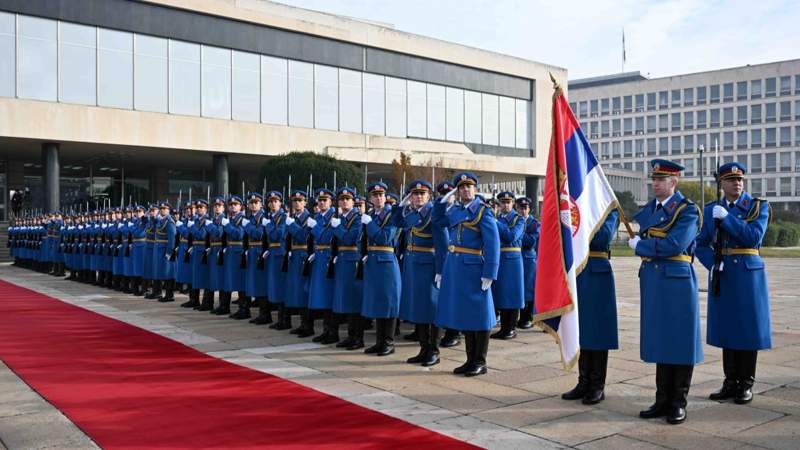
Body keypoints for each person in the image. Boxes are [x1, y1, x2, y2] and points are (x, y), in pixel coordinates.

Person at [629, 159, 702, 425]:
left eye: (661, 179)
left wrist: (641, 246)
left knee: (680, 341)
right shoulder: (651, 209)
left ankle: (678, 402)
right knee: (661, 339)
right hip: (655, 280)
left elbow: (675, 244)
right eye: (654, 179)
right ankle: (662, 400)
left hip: (677, 280)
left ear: (674, 182)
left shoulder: (687, 210)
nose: (655, 183)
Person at [695, 162, 771, 405]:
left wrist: (728, 219)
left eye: (740, 179)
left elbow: (753, 237)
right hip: (724, 272)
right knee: (728, 328)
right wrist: (713, 263)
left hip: (748, 275)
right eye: (730, 180)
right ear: (721, 184)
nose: (736, 183)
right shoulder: (711, 210)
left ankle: (745, 383)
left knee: (747, 329)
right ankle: (730, 382)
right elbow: (701, 243)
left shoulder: (758, 207)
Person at [433, 172, 500, 376]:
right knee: (467, 315)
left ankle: (480, 361)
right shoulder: (456, 210)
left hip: (474, 268)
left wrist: (490, 271)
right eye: (461, 187)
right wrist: (443, 200)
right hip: (456, 268)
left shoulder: (482, 211)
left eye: (469, 187)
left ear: (476, 189)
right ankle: (470, 359)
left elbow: (492, 243)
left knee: (480, 315)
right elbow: (437, 220)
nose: (465, 190)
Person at [562, 209, 619, 405]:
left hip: (597, 273)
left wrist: (581, 223)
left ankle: (597, 385)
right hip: (577, 273)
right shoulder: (577, 205)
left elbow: (602, 238)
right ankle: (583, 382)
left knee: (598, 332)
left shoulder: (608, 209)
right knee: (582, 330)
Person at [397, 180, 442, 366]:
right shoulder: (412, 213)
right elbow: (397, 222)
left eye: (422, 194)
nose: (419, 197)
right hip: (413, 265)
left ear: (429, 195)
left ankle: (434, 350)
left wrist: (441, 270)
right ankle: (423, 348)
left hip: (429, 266)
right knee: (418, 308)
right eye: (415, 194)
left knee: (431, 310)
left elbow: (443, 245)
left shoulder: (434, 214)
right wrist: (401, 205)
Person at [361, 182, 402, 356]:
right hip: (372, 261)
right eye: (375, 195)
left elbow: (384, 238)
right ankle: (379, 341)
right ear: (370, 199)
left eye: (381, 195)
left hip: (386, 262)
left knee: (389, 302)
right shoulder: (370, 214)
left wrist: (370, 224)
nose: (378, 198)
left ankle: (388, 342)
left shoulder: (392, 215)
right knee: (377, 301)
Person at [330, 186, 365, 349]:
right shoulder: (341, 217)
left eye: (347, 199)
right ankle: (350, 336)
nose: (344, 201)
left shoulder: (358, 218)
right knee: (344, 299)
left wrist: (337, 228)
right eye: (342, 199)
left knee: (353, 300)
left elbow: (351, 239)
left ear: (353, 201)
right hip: (342, 260)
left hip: (352, 260)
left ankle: (358, 337)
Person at [491, 192, 525, 340]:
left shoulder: (519, 219)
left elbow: (511, 236)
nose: (506, 205)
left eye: (508, 202)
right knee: (502, 294)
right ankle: (504, 328)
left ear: (513, 204)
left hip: (513, 260)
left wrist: (497, 224)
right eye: (503, 202)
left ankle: (510, 328)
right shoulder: (497, 219)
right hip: (500, 258)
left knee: (513, 294)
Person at [306, 188, 337, 342]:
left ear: (331, 201)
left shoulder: (334, 216)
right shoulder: (318, 216)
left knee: (329, 295)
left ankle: (333, 332)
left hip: (328, 259)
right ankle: (326, 330)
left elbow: (326, 237)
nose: (322, 202)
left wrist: (315, 227)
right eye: (320, 200)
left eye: (325, 200)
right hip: (319, 257)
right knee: (323, 296)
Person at [434, 181, 461, 349]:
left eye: (449, 194)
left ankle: (455, 332)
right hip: (443, 258)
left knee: (456, 297)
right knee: (447, 298)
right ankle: (449, 330)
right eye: (443, 194)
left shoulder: (459, 211)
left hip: (456, 258)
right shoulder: (439, 212)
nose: (447, 197)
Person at [284, 190, 314, 337]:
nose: (297, 203)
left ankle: (308, 326)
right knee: (297, 290)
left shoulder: (309, 218)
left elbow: (303, 237)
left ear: (305, 202)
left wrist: (291, 225)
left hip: (303, 256)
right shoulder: (293, 217)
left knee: (304, 291)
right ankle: (303, 324)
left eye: (300, 200)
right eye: (294, 201)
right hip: (294, 257)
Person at [264, 191, 292, 329]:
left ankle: (285, 320)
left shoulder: (282, 217)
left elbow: (277, 235)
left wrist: (268, 226)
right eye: (271, 201)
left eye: (276, 201)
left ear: (280, 203)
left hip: (280, 254)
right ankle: (280, 319)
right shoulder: (272, 217)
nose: (273, 204)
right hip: (273, 254)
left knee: (281, 286)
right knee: (275, 287)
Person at [242, 193, 269, 322]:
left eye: (256, 202)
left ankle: (265, 314)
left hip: (260, 252)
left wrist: (247, 226)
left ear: (261, 204)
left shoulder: (263, 218)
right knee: (253, 283)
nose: (253, 204)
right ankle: (255, 312)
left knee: (261, 283)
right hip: (252, 252)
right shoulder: (252, 218)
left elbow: (258, 234)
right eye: (251, 202)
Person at [514, 197, 539, 329]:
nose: (522, 211)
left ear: (529, 209)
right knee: (518, 288)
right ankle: (518, 316)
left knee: (528, 289)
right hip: (515, 258)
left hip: (529, 259)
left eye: (525, 208)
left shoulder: (534, 224)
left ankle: (528, 317)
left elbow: (531, 241)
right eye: (520, 208)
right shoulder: (513, 221)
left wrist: (518, 231)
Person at [206, 196, 228, 314]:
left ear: (223, 208)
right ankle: (219, 304)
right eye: (215, 206)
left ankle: (224, 305)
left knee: (221, 277)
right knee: (216, 277)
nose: (217, 208)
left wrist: (209, 226)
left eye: (219, 206)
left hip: (220, 249)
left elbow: (218, 233)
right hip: (214, 249)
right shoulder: (215, 219)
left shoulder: (223, 219)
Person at [153, 201, 177, 302]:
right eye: (161, 208)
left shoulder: (169, 221)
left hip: (166, 250)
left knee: (168, 273)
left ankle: (169, 295)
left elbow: (172, 239)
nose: (162, 210)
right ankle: (164, 294)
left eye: (164, 209)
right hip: (159, 249)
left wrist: (169, 252)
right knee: (163, 272)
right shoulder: (161, 220)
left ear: (169, 210)